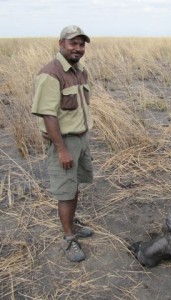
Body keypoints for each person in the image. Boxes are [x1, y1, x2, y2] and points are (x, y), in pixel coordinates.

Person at [32, 25, 94, 262]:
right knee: (65, 193)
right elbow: (48, 115)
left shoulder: (79, 70)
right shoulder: (50, 74)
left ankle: (72, 225)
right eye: (73, 43)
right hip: (64, 142)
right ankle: (69, 239)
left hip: (80, 138)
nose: (78, 48)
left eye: (81, 44)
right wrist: (61, 149)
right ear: (61, 44)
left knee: (74, 185)